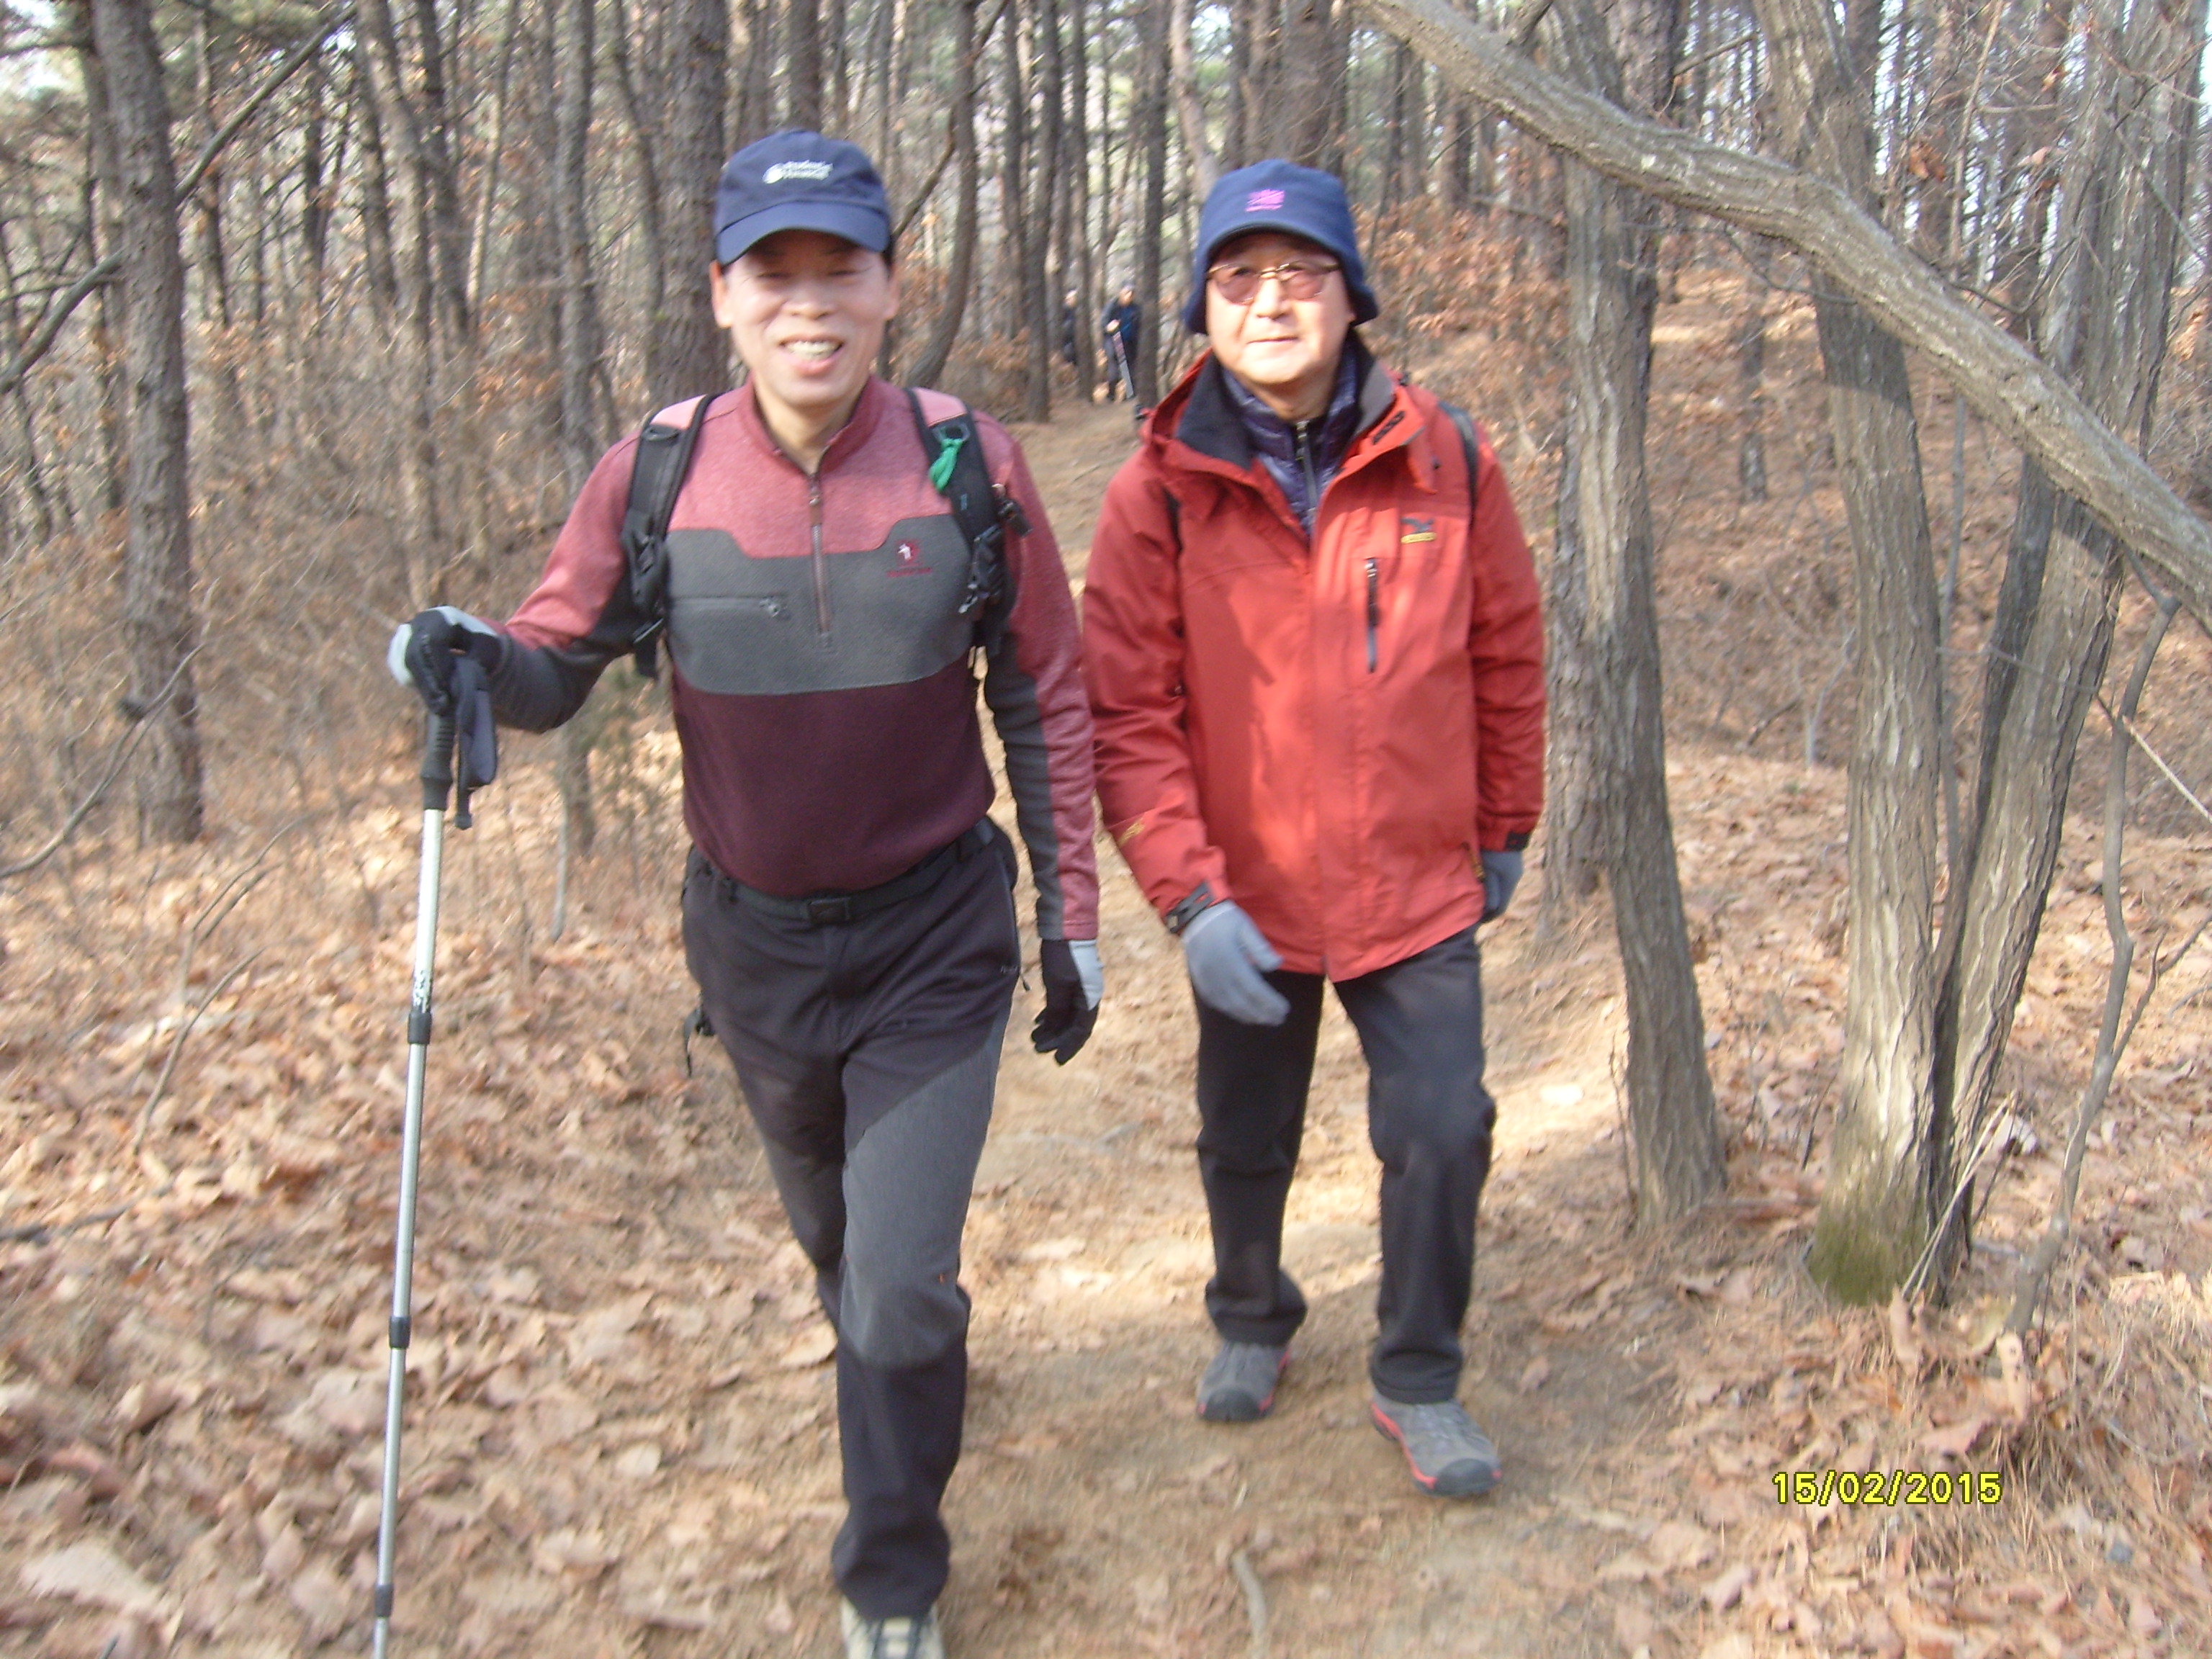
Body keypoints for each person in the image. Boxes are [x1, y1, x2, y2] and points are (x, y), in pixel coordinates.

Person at [389, 130, 1102, 1659]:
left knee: (895, 1286)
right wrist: (471, 656)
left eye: (841, 266)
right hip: (755, 953)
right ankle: (910, 1373)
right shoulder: (656, 472)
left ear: (890, 285)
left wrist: (1073, 916)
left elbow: (1044, 689)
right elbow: (553, 659)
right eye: (773, 273)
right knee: (845, 1258)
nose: (809, 301)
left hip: (933, 940)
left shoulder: (968, 463)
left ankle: (891, 1572)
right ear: (721, 294)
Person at [1081, 159, 1544, 1499]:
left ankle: (1419, 1373)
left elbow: (1507, 652)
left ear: (1352, 297)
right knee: (1244, 1129)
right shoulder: (1157, 491)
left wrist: (1503, 824)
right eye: (1238, 278)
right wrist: (1189, 896)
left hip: (1415, 881)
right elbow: (1128, 711)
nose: (1271, 301)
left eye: (1301, 274)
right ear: (1201, 307)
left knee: (1444, 1127)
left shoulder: (1449, 460)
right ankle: (1250, 1313)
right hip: (1247, 890)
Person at [1101, 286, 1141, 403]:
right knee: (1114, 369)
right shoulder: (1113, 305)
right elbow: (1104, 322)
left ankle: (1130, 395)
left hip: (1129, 341)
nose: (1129, 296)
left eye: (1131, 294)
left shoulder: (1136, 308)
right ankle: (1111, 395)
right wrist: (1109, 326)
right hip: (1114, 340)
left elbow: (1139, 323)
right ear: (1121, 294)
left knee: (1129, 369)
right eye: (1127, 293)